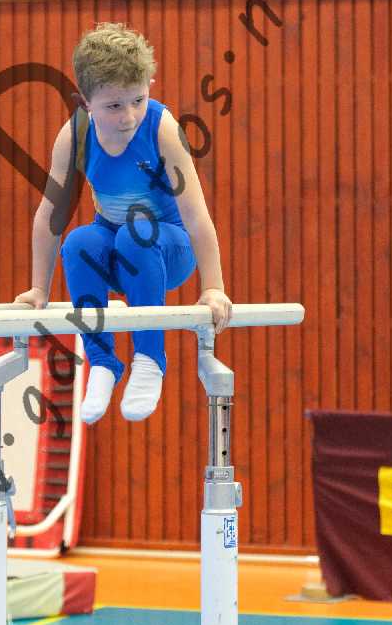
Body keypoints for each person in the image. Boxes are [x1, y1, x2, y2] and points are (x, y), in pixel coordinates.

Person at [14, 23, 232, 422]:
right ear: (86, 103)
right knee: (79, 242)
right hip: (116, 252)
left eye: (138, 100)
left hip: (168, 249)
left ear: (150, 86)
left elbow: (196, 214)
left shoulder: (162, 129)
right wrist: (38, 288)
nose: (129, 116)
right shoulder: (75, 136)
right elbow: (50, 216)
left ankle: (149, 358)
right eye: (114, 106)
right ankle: (102, 362)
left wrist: (214, 287)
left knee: (136, 235)